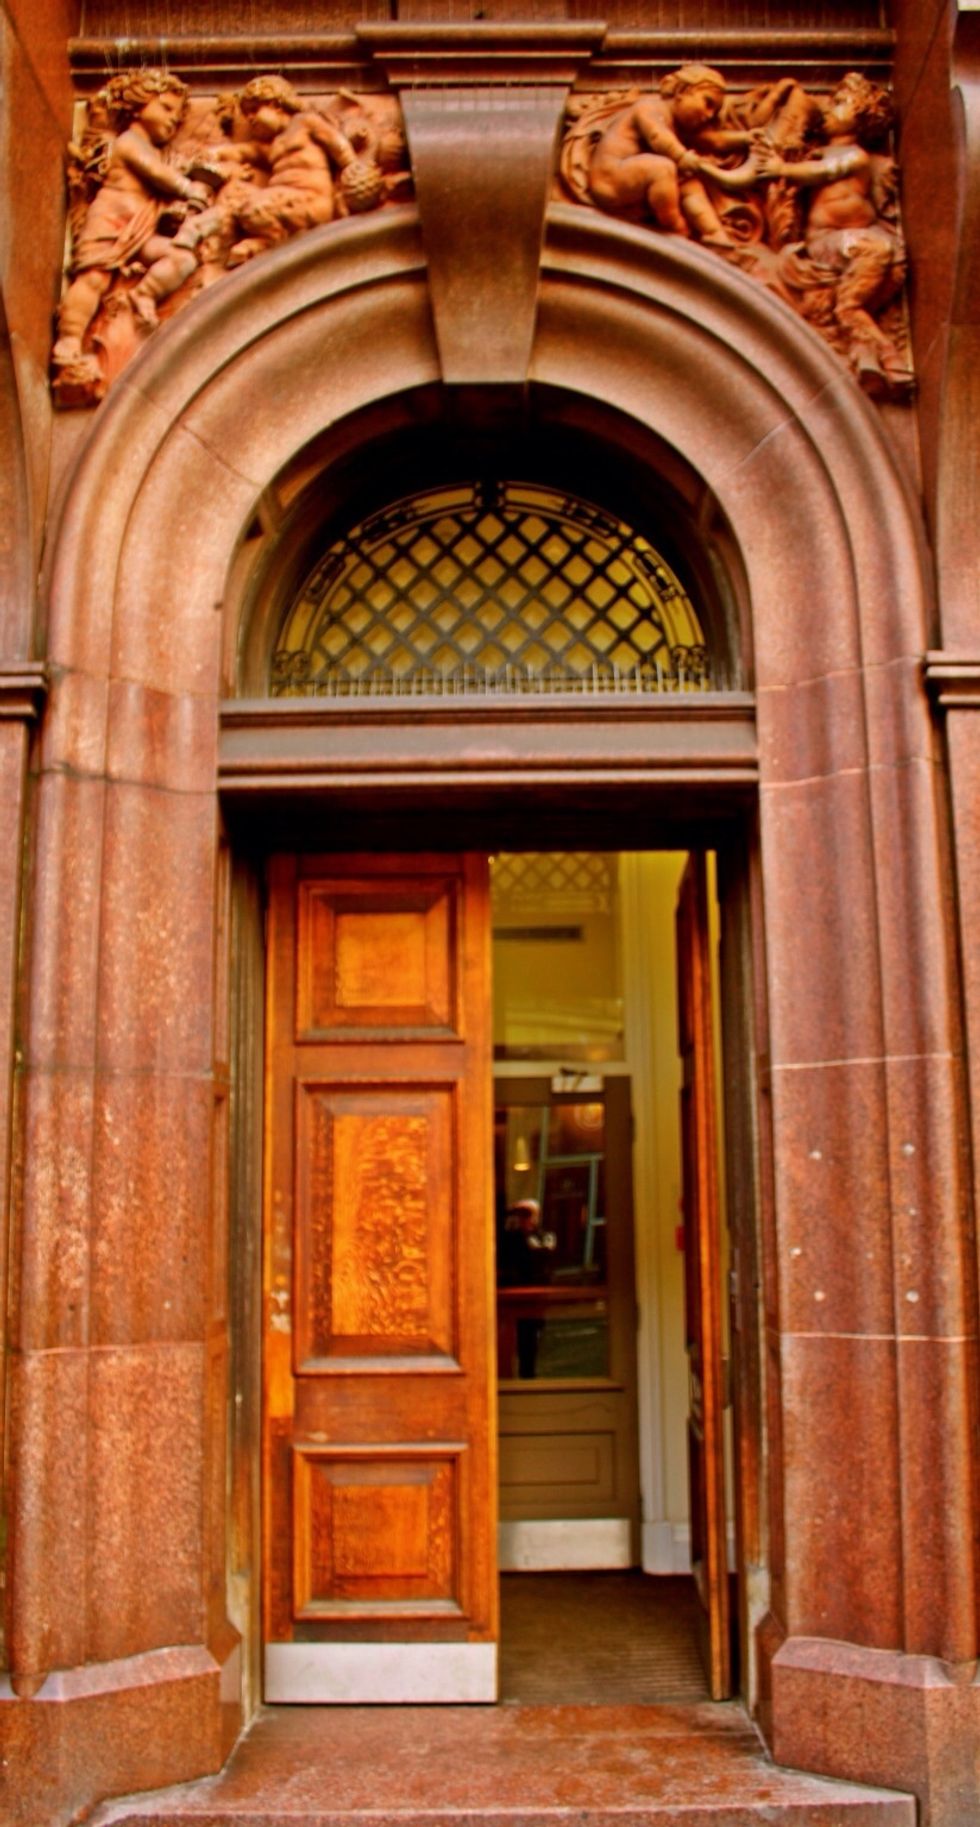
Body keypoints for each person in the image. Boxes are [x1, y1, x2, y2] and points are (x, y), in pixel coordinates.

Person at [748, 72, 911, 389]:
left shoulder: (854, 155)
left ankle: (868, 354)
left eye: (840, 103)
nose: (828, 108)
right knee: (871, 260)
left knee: (874, 267)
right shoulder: (817, 153)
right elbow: (811, 170)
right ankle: (885, 352)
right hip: (829, 243)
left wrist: (783, 169)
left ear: (861, 118)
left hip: (855, 240)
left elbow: (822, 173)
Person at [52, 69, 211, 368]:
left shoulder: (154, 149)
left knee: (182, 259)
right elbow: (157, 174)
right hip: (110, 224)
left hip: (141, 232)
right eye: (165, 108)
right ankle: (70, 339)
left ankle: (144, 294)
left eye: (177, 116)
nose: (173, 119)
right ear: (139, 104)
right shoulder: (128, 142)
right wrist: (187, 187)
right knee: (94, 280)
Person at [586, 65, 757, 245]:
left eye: (714, 112)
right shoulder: (650, 106)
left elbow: (714, 141)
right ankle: (676, 227)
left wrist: (746, 138)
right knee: (663, 168)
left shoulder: (680, 126)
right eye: (707, 103)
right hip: (609, 178)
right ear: (683, 91)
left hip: (632, 178)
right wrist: (682, 157)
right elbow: (657, 135)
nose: (709, 115)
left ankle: (714, 232)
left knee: (689, 182)